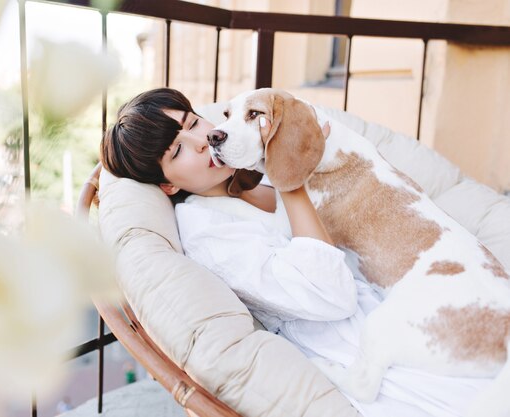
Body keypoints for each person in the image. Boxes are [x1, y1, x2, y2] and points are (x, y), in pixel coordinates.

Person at [100, 88, 490, 417]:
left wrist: (281, 163)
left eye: (192, 123)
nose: (204, 140)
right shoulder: (210, 234)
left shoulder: (249, 178)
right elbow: (332, 296)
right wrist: (291, 180)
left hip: (411, 310)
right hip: (370, 357)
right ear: (167, 186)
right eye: (177, 151)